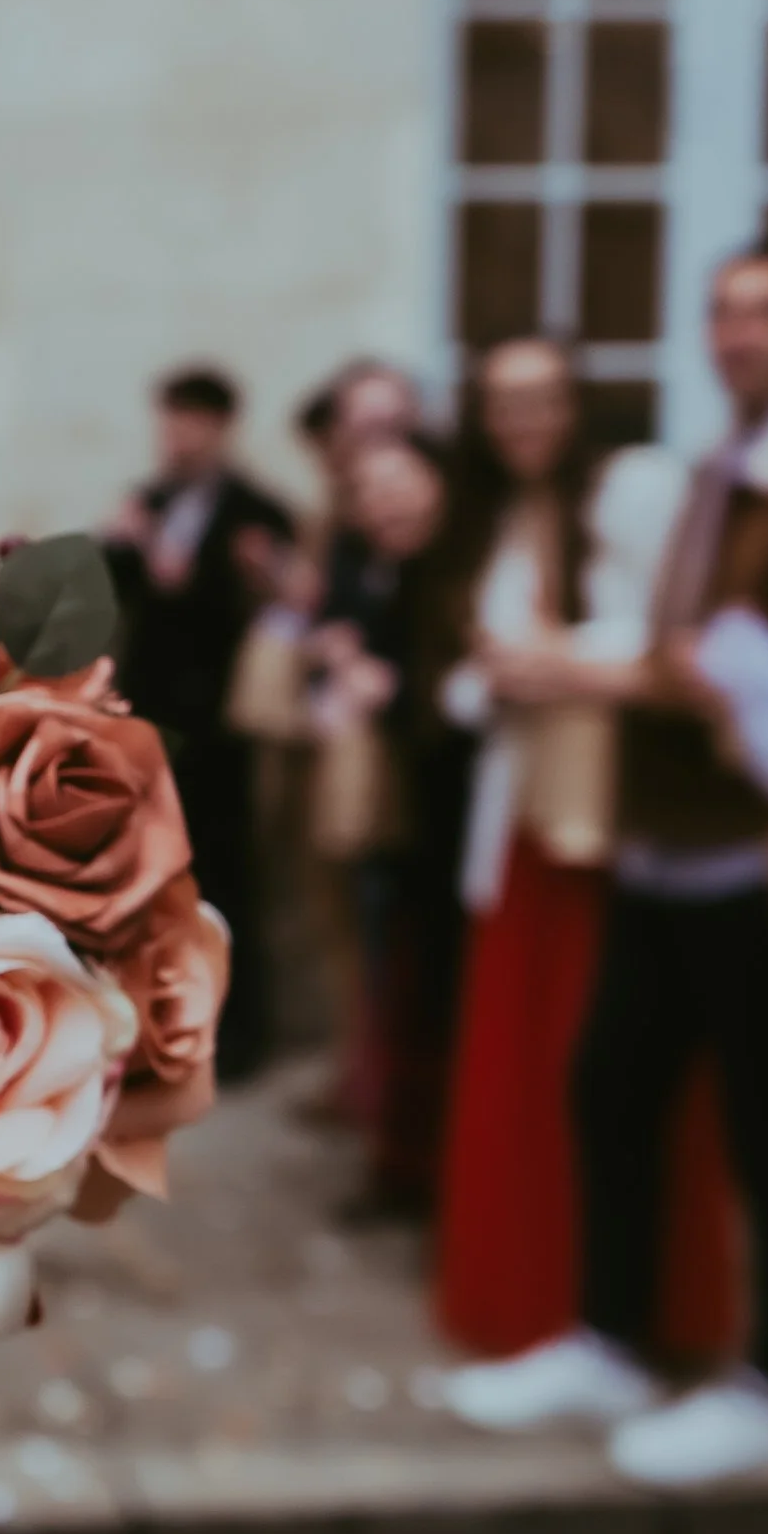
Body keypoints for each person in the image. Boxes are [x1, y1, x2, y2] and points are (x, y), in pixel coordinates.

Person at [449, 244, 768, 1487]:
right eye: (721, 311)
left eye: (766, 312)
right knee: (611, 1086)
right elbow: (688, 641)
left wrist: (598, 673)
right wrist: (643, 668)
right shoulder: (727, 463)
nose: (738, 335)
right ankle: (609, 1337)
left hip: (758, 848)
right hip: (668, 840)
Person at [422, 338, 739, 1363]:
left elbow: (672, 641)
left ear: (575, 403)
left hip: (601, 819)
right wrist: (494, 680)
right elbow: (464, 675)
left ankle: (614, 1308)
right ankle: (525, 1300)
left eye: (541, 399)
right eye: (502, 404)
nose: (523, 423)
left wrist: (553, 665)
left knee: (596, 1063)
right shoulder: (495, 521)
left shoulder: (630, 493)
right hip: (519, 820)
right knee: (519, 1062)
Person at [105, 363, 295, 1075]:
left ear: (220, 428)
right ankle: (158, 1026)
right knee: (152, 880)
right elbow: (114, 594)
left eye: (191, 422)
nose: (177, 436)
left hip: (221, 725)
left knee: (229, 879)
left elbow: (276, 610)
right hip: (152, 718)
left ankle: (238, 1036)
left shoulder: (256, 511)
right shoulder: (146, 500)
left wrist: (248, 574)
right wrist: (119, 542)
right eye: (169, 420)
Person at [306, 426, 463, 1217]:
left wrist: (385, 689)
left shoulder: (454, 578)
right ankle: (405, 1164)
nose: (382, 502)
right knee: (401, 989)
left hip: (454, 826)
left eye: (398, 482)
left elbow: (452, 704)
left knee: (437, 997)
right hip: (405, 825)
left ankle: (433, 1174)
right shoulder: (381, 569)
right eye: (366, 491)